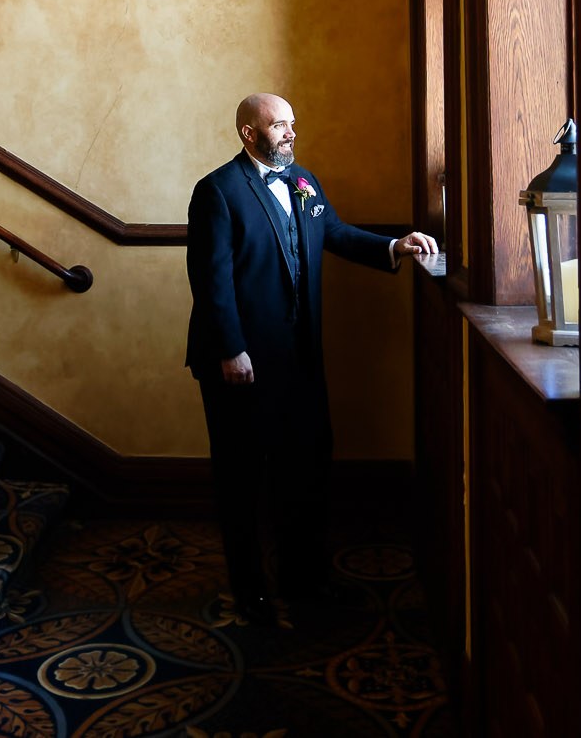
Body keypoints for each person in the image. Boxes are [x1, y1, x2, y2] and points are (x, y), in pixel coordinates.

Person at [184, 92, 438, 623]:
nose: (290, 134)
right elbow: (211, 282)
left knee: (305, 467)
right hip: (241, 363)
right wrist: (232, 349)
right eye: (279, 126)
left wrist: (395, 246)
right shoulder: (217, 191)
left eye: (293, 124)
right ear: (248, 134)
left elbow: (336, 234)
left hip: (298, 359)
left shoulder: (305, 182)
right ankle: (250, 592)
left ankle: (303, 580)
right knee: (242, 476)